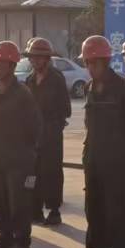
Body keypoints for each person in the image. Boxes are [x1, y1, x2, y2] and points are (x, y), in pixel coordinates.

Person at [75, 34, 125, 248]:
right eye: (87, 63)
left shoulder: (122, 88)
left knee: (117, 209)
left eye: (94, 63)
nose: (90, 68)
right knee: (94, 207)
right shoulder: (90, 88)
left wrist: (117, 147)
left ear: (105, 61)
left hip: (117, 159)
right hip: (94, 156)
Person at [0, 41, 39, 248]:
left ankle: (21, 241)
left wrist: (27, 154)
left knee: (19, 201)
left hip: (19, 158)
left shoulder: (22, 94)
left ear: (12, 65)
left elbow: (34, 127)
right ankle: (3, 236)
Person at [25, 37, 72, 226]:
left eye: (39, 57)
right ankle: (34, 209)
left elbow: (66, 109)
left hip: (51, 135)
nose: (34, 60)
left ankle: (54, 210)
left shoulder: (56, 79)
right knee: (31, 173)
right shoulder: (29, 80)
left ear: (47, 58)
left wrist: (53, 125)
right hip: (33, 137)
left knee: (52, 173)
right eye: (32, 57)